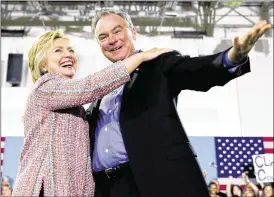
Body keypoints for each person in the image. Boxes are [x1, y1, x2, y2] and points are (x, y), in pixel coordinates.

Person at [86, 9, 272, 197]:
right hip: (109, 189)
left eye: (117, 31)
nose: (111, 40)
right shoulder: (98, 90)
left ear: (133, 32)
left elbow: (195, 70)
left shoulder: (158, 63)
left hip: (157, 180)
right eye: (103, 36)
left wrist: (232, 57)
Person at [11, 29, 172, 196]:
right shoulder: (46, 87)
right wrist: (141, 57)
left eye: (71, 50)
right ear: (42, 63)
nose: (68, 55)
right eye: (58, 50)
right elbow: (90, 86)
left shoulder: (74, 107)